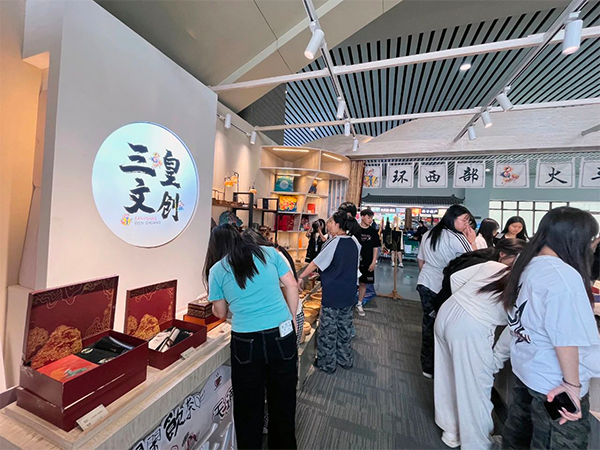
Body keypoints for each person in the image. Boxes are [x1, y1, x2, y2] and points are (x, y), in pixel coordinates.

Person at [497, 207, 600, 450]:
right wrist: (572, 386)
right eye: (590, 239)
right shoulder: (563, 277)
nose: (591, 246)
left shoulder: (527, 263)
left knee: (519, 433)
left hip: (528, 368)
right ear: (574, 239)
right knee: (558, 442)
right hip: (555, 384)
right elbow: (565, 338)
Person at [205, 224, 299, 450]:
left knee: (248, 407)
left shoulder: (217, 270)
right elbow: (292, 284)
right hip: (282, 333)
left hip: (246, 341)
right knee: (283, 401)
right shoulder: (268, 253)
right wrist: (292, 317)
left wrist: (222, 303)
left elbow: (220, 312)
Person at [433, 239, 526, 449]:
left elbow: (456, 278)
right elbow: (514, 328)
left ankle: (451, 431)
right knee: (476, 388)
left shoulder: (492, 266)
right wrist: (495, 361)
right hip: (471, 325)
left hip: (448, 312)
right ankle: (477, 444)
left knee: (447, 373)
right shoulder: (523, 282)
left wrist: (467, 300)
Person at [417, 205, 477, 379]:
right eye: (464, 220)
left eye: (468, 221)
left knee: (429, 324)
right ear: (452, 218)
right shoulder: (458, 238)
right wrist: (472, 242)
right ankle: (444, 369)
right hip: (446, 288)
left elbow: (421, 261)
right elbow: (476, 262)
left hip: (426, 283)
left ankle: (428, 366)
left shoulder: (429, 234)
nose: (467, 225)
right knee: (446, 327)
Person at [298, 211, 361, 374]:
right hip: (348, 293)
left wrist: (301, 276)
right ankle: (345, 359)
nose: (328, 225)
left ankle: (327, 363)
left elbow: (316, 263)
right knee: (345, 328)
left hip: (333, 293)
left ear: (338, 225)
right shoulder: (354, 242)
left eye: (331, 222)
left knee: (328, 330)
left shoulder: (334, 242)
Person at [356, 209, 381, 317]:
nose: (370, 220)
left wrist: (373, 261)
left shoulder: (373, 232)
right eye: (368, 217)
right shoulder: (355, 230)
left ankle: (359, 303)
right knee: (351, 283)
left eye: (371, 218)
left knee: (363, 283)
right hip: (355, 262)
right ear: (362, 217)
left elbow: (376, 247)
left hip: (368, 262)